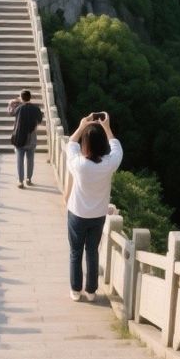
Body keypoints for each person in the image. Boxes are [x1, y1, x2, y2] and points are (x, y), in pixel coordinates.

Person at [65, 111, 122, 302]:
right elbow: (117, 148)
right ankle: (91, 291)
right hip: (97, 216)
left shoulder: (78, 164)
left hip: (77, 214)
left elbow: (71, 144)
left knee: (75, 252)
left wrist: (82, 126)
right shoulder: (108, 164)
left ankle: (75, 290)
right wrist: (106, 128)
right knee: (92, 252)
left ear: (86, 144)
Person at [8, 89, 42, 187]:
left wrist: (10, 103)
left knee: (20, 160)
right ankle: (29, 179)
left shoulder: (19, 108)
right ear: (30, 97)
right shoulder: (36, 108)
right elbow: (39, 120)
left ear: (22, 98)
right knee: (30, 160)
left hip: (20, 138)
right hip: (32, 138)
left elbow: (10, 112)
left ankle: (20, 181)